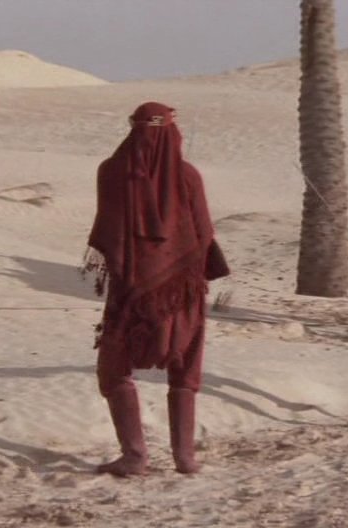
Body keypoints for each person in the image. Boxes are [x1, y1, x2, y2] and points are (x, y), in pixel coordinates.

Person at [82, 102, 229, 475]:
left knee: (114, 369)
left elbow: (109, 236)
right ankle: (185, 457)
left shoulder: (111, 171)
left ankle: (134, 455)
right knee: (185, 369)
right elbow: (203, 234)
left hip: (129, 295)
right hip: (182, 295)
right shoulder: (188, 176)